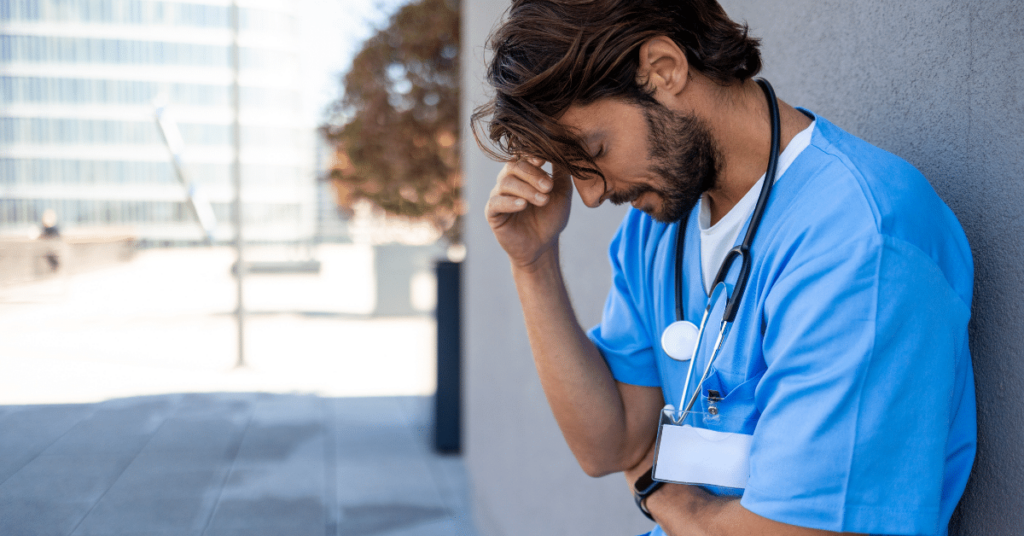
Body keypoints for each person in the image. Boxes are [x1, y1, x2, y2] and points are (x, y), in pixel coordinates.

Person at [471, 1, 976, 535]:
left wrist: (672, 501)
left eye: (594, 150)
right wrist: (533, 262)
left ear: (664, 68)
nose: (593, 196)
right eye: (577, 172)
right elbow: (613, 444)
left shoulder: (860, 239)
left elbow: (800, 529)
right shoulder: (656, 228)